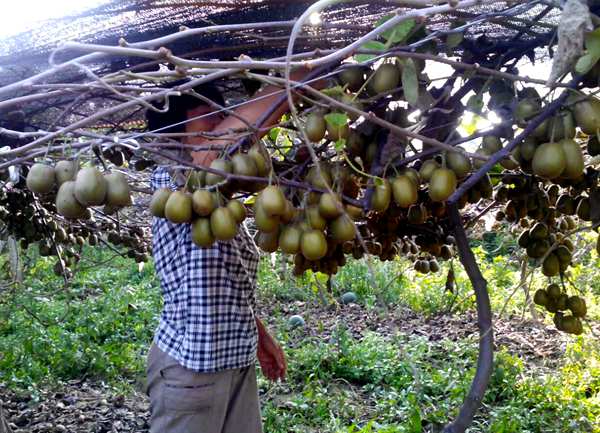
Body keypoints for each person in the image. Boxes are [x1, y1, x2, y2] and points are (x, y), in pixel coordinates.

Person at [144, 77, 302, 433]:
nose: (219, 126)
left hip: (234, 359)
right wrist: (295, 79)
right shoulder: (174, 182)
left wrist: (259, 335)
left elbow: (224, 282)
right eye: (206, 117)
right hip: (190, 369)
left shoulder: (218, 196)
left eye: (221, 116)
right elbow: (216, 151)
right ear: (176, 135)